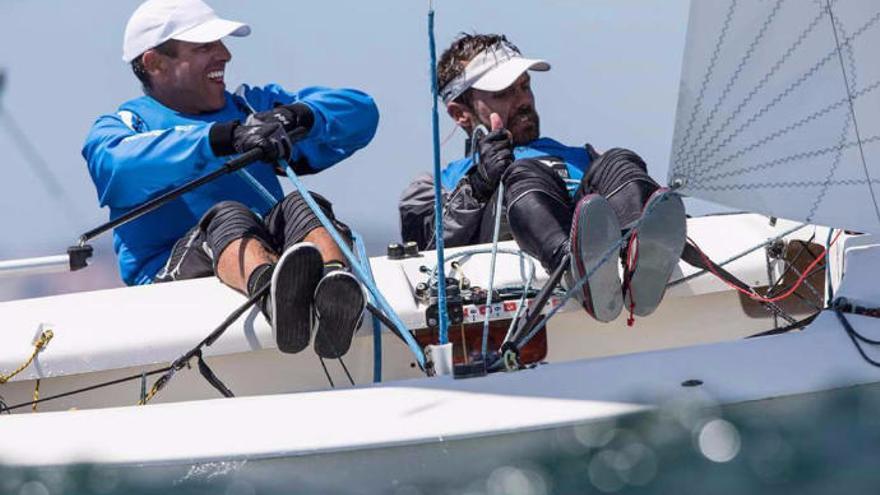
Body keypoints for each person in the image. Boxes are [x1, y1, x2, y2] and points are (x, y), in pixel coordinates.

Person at [83, 0, 379, 358]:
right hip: (169, 286)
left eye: (221, 43)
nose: (224, 55)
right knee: (228, 215)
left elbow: (362, 111)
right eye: (204, 46)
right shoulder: (124, 126)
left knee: (303, 204)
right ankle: (272, 296)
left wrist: (295, 117)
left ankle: (335, 288)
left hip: (269, 256)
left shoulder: (251, 108)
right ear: (154, 62)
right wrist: (221, 139)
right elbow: (115, 165)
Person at [399, 33, 686, 324]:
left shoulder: (583, 155)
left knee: (619, 161)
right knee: (525, 174)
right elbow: (423, 253)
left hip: (600, 245)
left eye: (525, 86)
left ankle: (641, 260)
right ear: (460, 113)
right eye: (504, 93)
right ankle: (576, 267)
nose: (523, 100)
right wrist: (479, 185)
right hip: (530, 265)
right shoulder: (437, 183)